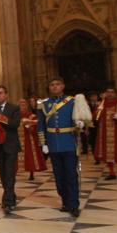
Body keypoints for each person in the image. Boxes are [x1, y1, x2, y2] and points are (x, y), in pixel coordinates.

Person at [37, 77, 85, 218]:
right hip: (53, 144)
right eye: (52, 85)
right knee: (59, 176)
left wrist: (80, 124)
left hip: (69, 143)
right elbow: (40, 125)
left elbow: (78, 119)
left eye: (58, 84)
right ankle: (64, 202)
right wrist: (43, 143)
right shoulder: (43, 104)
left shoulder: (72, 101)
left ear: (63, 86)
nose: (55, 87)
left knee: (71, 175)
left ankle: (74, 204)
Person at [93, 87, 117, 180]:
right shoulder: (101, 104)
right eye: (108, 92)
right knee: (107, 152)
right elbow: (95, 116)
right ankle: (112, 173)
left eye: (112, 92)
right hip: (105, 133)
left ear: (115, 93)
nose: (110, 94)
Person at [18, 99, 47, 180]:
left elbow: (37, 125)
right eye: (20, 103)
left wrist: (30, 126)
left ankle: (31, 173)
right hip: (17, 139)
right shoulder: (15, 115)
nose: (22, 105)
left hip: (29, 139)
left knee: (30, 156)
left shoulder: (31, 115)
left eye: (24, 103)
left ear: (27, 105)